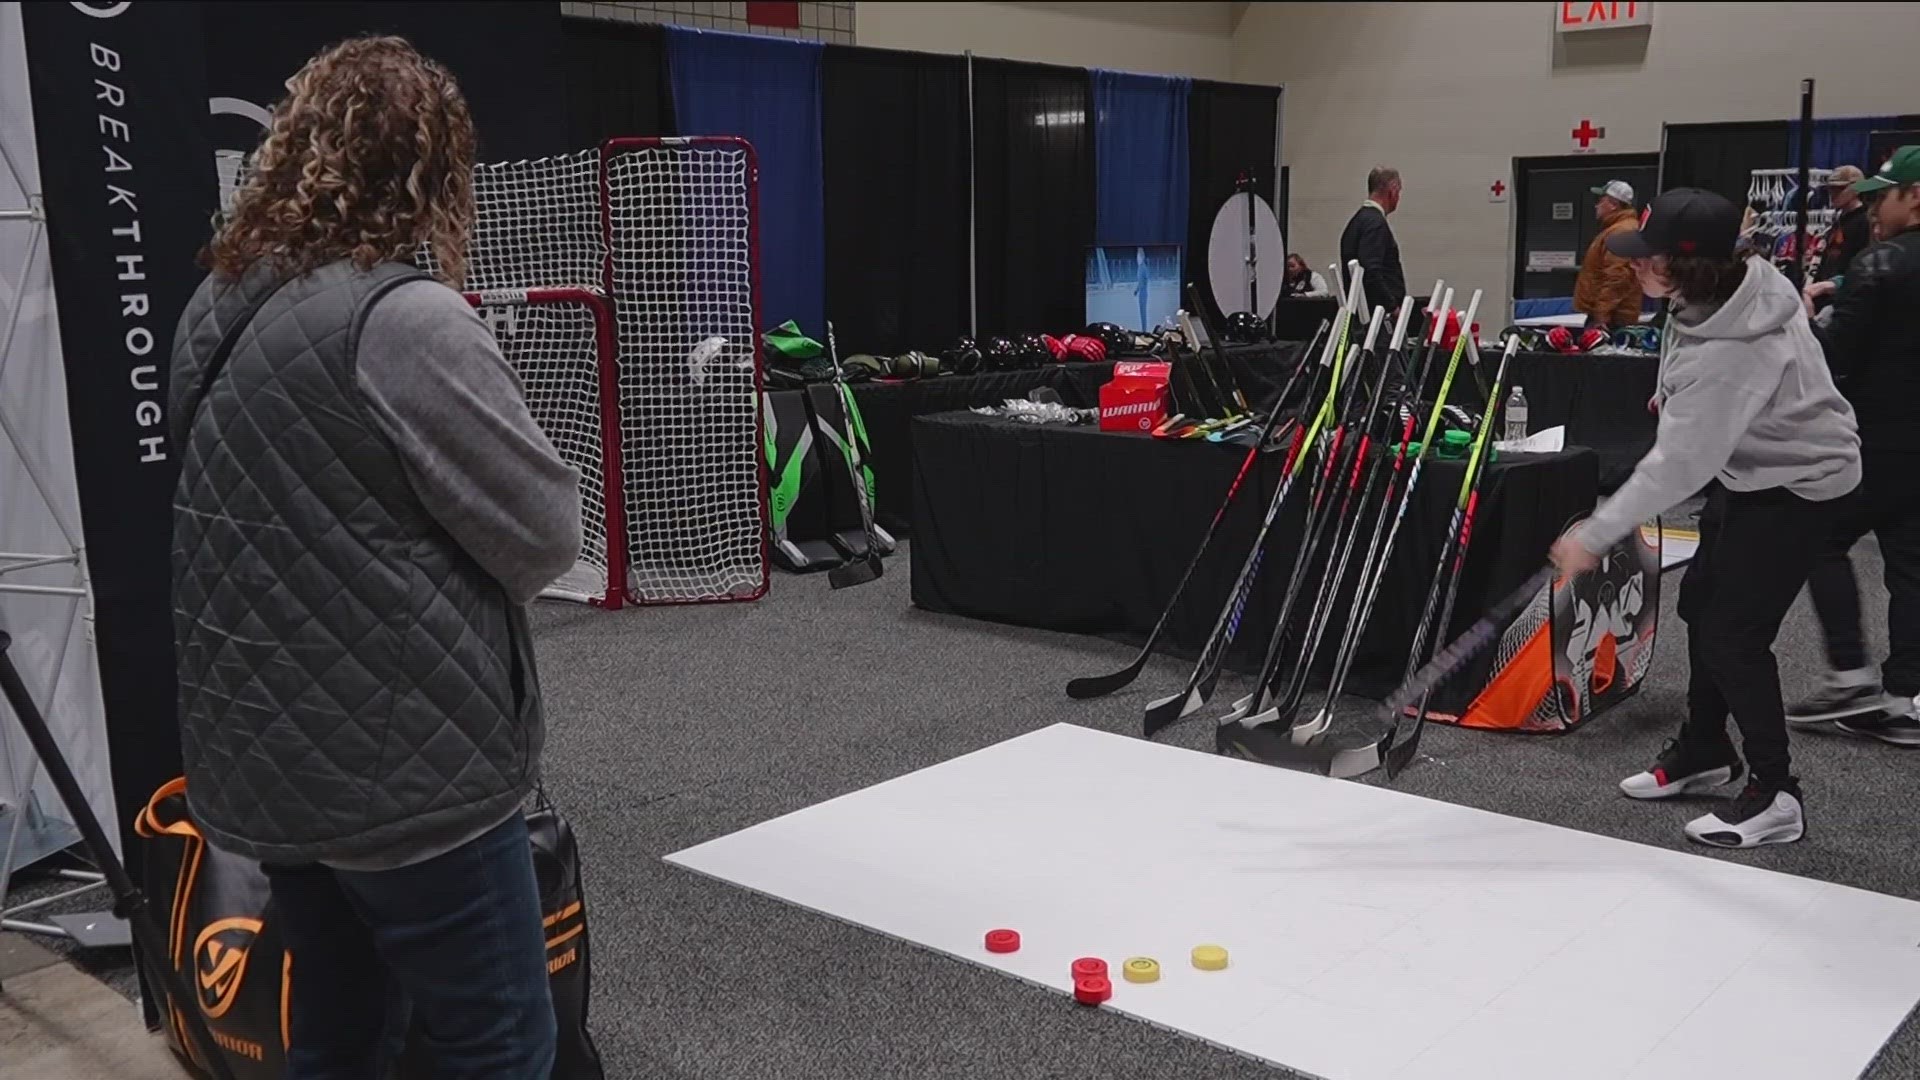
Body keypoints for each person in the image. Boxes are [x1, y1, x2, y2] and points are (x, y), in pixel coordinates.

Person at [169, 36, 578, 1077]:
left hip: (270, 766)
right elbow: (543, 535)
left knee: (340, 1033)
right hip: (410, 781)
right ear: (433, 171)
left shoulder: (211, 310)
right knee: (498, 1041)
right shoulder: (405, 320)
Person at [1549, 187, 1860, 849]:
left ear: (1688, 266)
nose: (1633, 264)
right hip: (1752, 470)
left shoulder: (1734, 353)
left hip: (1802, 486)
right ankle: (1706, 748)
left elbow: (1677, 467)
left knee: (1734, 636)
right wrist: (1671, 390)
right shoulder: (1722, 291)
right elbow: (1684, 346)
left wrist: (1593, 535)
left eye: (1646, 256)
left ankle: (1777, 794)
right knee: (1701, 603)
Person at [1787, 147, 1920, 743]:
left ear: (1913, 196)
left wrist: (1809, 321)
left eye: (1878, 197)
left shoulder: (1880, 264)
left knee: (1818, 538)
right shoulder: (1871, 266)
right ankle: (1902, 694)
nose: (1868, 209)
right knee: (1912, 568)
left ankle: (1850, 673)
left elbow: (1833, 359)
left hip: (1876, 442)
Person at [1572, 179, 1644, 330]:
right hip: (1611, 316)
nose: (1596, 205)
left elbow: (1618, 276)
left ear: (1613, 204)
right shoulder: (1617, 229)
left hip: (1612, 319)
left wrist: (1601, 315)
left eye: (1600, 200)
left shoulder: (1621, 232)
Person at [1339, 166, 1407, 315]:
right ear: (1392, 191)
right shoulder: (1375, 224)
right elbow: (1371, 270)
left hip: (1361, 310)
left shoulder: (1356, 222)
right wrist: (1392, 307)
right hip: (1378, 316)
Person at [1815, 165, 1871, 285]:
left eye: (1840, 188)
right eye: (1831, 189)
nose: (1833, 194)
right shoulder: (1839, 220)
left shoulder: (1865, 221)